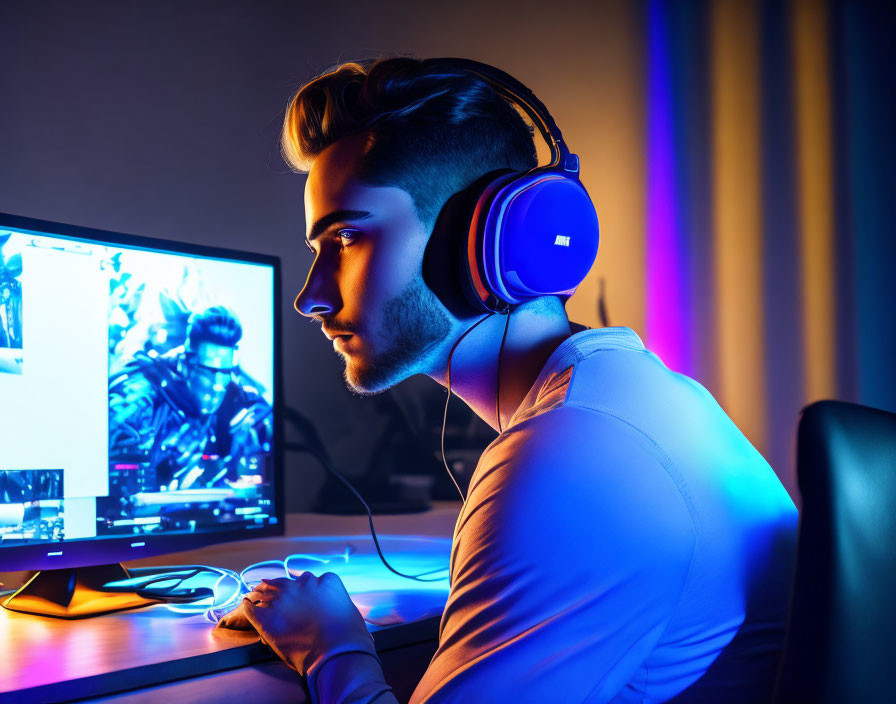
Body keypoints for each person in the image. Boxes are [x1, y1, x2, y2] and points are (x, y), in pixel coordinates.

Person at [218, 57, 798, 703]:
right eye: (315, 248)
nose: (310, 296)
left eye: (348, 237)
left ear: (486, 241)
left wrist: (330, 647)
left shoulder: (572, 456)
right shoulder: (646, 399)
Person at [108, 305, 272, 492]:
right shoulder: (140, 399)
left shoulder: (234, 396)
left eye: (225, 372)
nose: (218, 385)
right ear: (185, 366)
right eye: (209, 372)